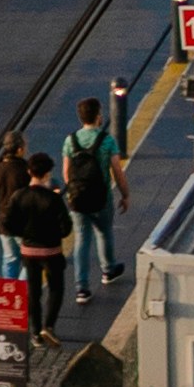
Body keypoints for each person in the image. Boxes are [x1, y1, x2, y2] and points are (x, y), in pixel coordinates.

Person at [61, 89, 128, 298]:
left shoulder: (70, 141)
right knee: (104, 232)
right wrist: (125, 194)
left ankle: (82, 287)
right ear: (98, 116)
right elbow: (117, 171)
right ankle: (108, 270)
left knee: (81, 239)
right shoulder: (107, 141)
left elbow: (66, 174)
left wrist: (77, 188)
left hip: (77, 198)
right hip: (101, 197)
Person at [10, 149, 74, 338]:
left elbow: (8, 222)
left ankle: (35, 331)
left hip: (29, 251)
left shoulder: (18, 196)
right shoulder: (53, 199)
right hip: (51, 251)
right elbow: (66, 228)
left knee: (33, 290)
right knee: (56, 288)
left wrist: (23, 234)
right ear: (47, 174)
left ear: (29, 172)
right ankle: (49, 326)